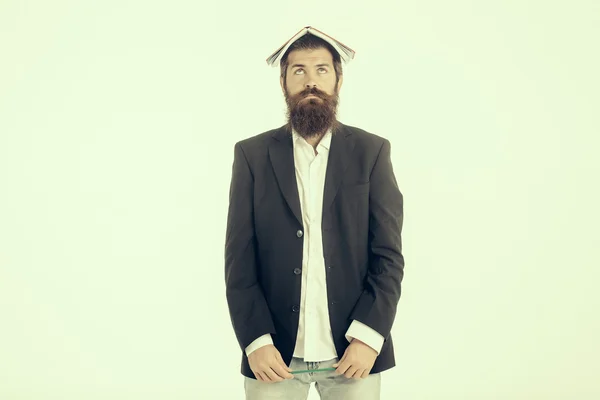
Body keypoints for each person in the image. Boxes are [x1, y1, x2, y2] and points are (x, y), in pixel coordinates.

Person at [224, 27, 405, 400]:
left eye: (322, 70)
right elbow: (239, 260)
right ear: (283, 82)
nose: (311, 82)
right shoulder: (252, 155)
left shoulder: (371, 152)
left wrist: (369, 336)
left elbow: (388, 256)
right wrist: (255, 340)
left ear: (339, 80)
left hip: (353, 354)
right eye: (299, 71)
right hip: (273, 357)